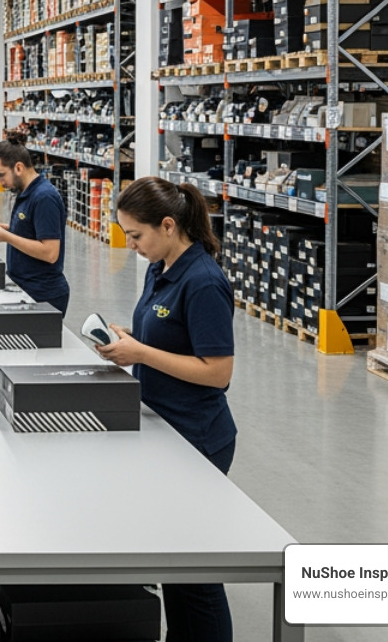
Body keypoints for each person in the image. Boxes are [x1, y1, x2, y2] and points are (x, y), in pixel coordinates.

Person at [96, 176, 237, 642]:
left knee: (194, 570)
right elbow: (162, 339)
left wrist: (141, 354)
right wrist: (130, 343)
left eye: (136, 235)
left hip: (197, 436)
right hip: (162, 428)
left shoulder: (203, 282)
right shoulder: (160, 269)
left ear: (170, 225)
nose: (131, 244)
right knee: (174, 560)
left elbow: (218, 372)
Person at [0, 138, 67, 312]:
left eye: (1, 174)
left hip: (42, 294)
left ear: (18, 168)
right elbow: (27, 230)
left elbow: (50, 253)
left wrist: (4, 236)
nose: (0, 181)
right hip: (24, 287)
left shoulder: (44, 197)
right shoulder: (27, 192)